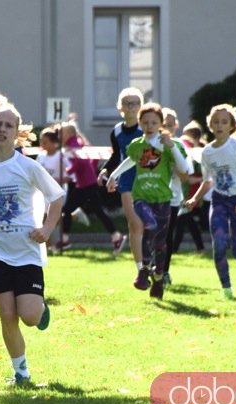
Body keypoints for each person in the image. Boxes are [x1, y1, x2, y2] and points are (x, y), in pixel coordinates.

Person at [0, 103, 64, 385]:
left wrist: (47, 228)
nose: (1, 129)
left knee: (29, 316)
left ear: (17, 133)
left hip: (26, 249)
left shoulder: (27, 166)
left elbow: (56, 197)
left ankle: (40, 308)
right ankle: (21, 373)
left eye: (8, 125)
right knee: (7, 314)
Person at [106, 102, 189, 299]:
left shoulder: (168, 145)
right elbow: (129, 160)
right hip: (141, 196)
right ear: (140, 123)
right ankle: (143, 268)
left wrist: (172, 148)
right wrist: (113, 176)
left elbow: (185, 170)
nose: (149, 125)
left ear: (161, 123)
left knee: (161, 245)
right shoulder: (137, 145)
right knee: (147, 225)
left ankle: (158, 278)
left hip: (163, 199)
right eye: (145, 122)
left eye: (154, 122)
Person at [185, 104, 236, 300]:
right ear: (210, 125)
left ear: (231, 126)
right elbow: (208, 181)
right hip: (219, 201)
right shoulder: (207, 152)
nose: (219, 125)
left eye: (224, 122)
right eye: (216, 122)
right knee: (218, 243)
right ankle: (226, 287)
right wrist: (195, 199)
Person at [59, 122, 125, 253]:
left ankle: (65, 239)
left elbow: (80, 162)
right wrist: (91, 170)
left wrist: (68, 172)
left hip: (86, 184)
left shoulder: (73, 145)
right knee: (74, 210)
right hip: (85, 183)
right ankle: (65, 239)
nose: (60, 136)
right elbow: (92, 159)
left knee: (72, 210)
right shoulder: (77, 143)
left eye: (62, 133)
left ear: (68, 134)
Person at [98, 87, 144, 268]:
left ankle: (151, 261)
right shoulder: (116, 131)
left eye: (135, 103)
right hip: (126, 180)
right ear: (120, 108)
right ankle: (141, 267)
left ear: (140, 106)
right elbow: (117, 156)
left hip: (147, 178)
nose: (131, 107)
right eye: (127, 103)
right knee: (134, 222)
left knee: (140, 225)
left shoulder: (146, 128)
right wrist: (105, 171)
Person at [160, 108, 192, 286]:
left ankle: (164, 270)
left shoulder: (179, 145)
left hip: (172, 197)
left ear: (176, 126)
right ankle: (148, 267)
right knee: (150, 233)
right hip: (152, 196)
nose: (165, 128)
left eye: (169, 125)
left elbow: (185, 175)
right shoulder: (150, 144)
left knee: (166, 236)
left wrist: (174, 161)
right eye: (163, 125)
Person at [173, 121, 206, 254]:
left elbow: (191, 178)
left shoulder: (196, 155)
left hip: (189, 194)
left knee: (182, 221)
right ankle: (200, 247)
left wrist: (200, 180)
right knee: (187, 222)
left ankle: (174, 248)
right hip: (187, 193)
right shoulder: (192, 152)